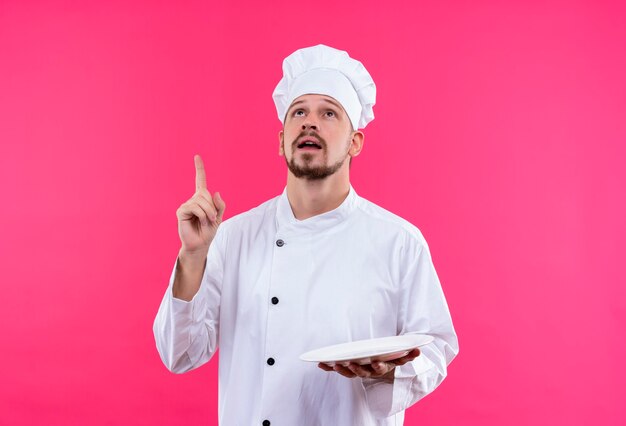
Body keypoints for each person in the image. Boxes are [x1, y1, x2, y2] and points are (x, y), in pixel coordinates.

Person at [153, 44, 459, 426]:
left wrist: (388, 372)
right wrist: (193, 258)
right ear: (281, 140)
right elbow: (178, 354)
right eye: (299, 112)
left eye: (328, 112)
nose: (309, 123)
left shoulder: (398, 242)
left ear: (355, 142)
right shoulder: (232, 238)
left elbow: (436, 348)